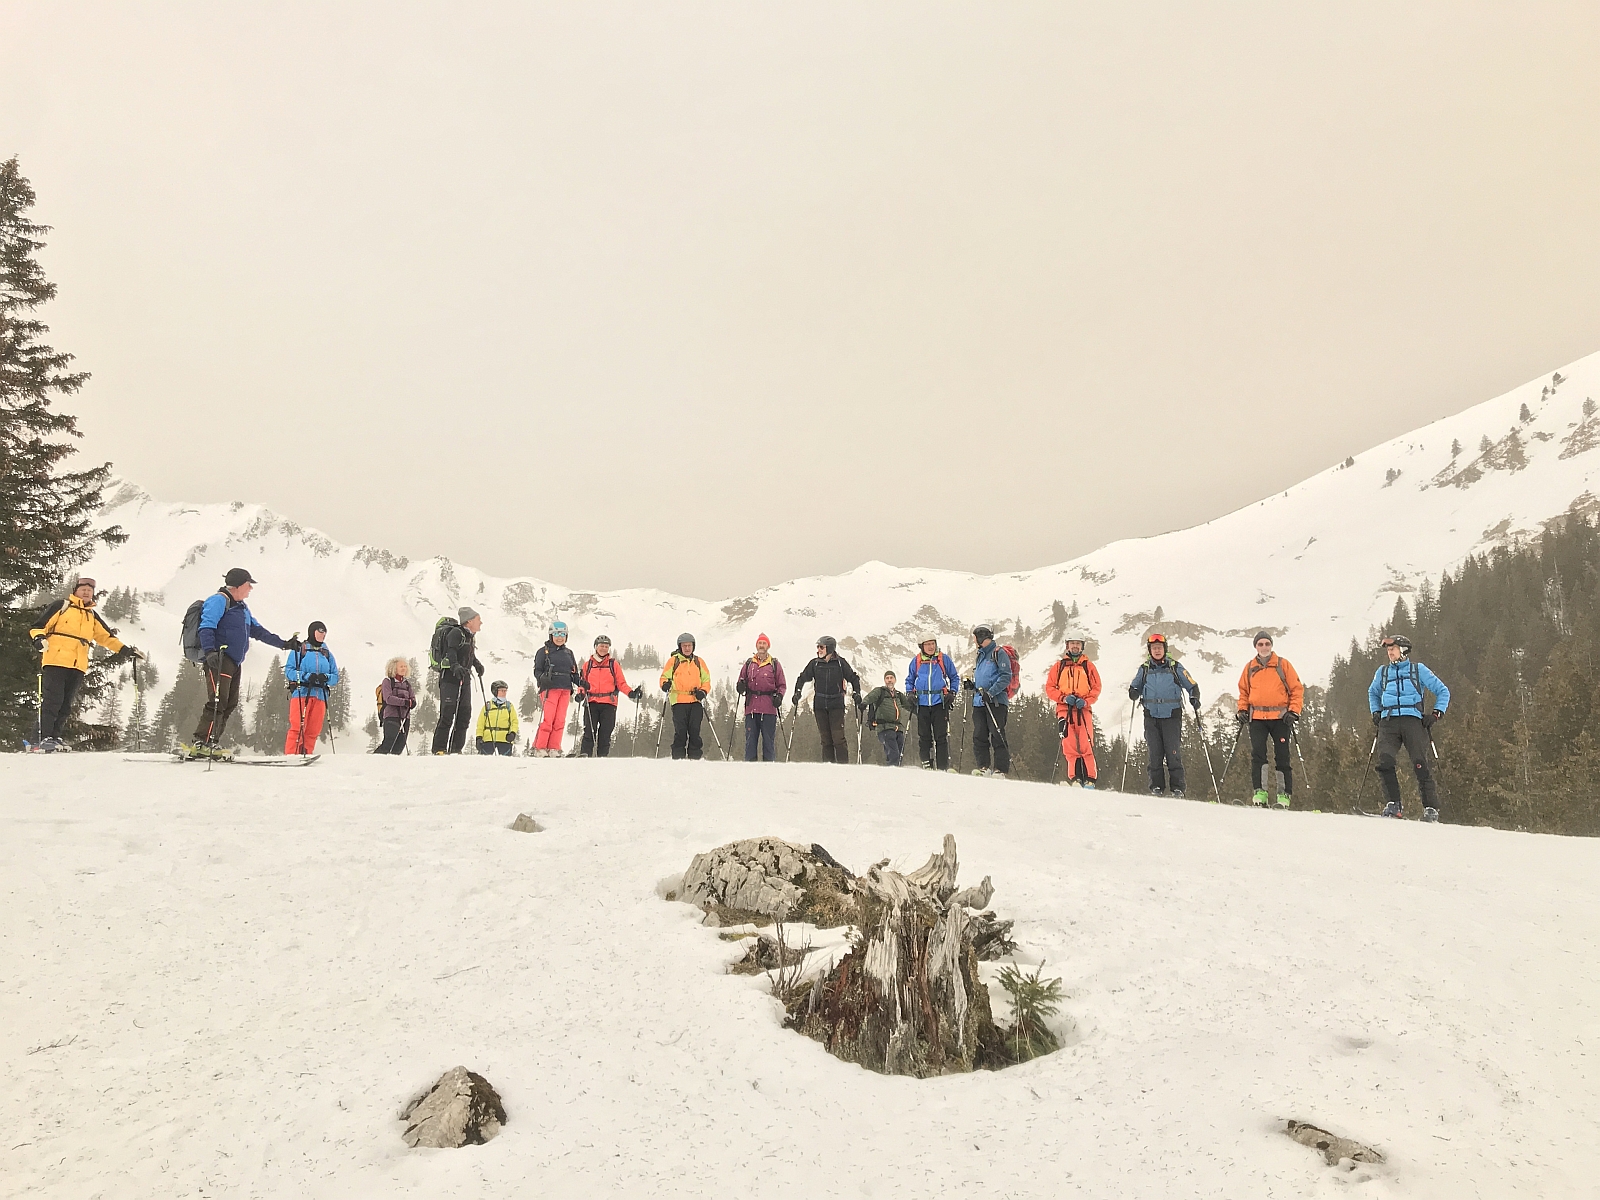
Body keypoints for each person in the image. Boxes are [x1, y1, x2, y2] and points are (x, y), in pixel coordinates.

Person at [27, 575, 141, 751]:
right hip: (56, 660)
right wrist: (39, 639)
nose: (87, 592)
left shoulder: (91, 616)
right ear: (75, 591)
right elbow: (38, 626)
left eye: (90, 591)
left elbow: (107, 637)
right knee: (53, 700)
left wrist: (126, 650)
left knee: (65, 704)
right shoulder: (62, 606)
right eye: (83, 589)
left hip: (77, 665)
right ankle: (39, 739)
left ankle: (53, 738)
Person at [192, 568, 298, 756]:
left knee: (229, 702)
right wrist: (209, 652)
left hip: (233, 661)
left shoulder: (242, 608)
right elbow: (206, 626)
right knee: (218, 701)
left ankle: (211, 743)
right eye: (249, 584)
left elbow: (258, 631)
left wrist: (284, 644)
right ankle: (201, 743)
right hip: (220, 659)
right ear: (239, 585)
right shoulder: (218, 600)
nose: (250, 589)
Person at [1368, 634, 1450, 821]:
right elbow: (1373, 692)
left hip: (1412, 720)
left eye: (1393, 649)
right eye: (1388, 650)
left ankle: (1431, 808)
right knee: (1385, 762)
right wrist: (1376, 712)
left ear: (1403, 651)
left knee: (1420, 763)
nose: (1390, 653)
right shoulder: (1382, 672)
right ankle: (1393, 805)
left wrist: (1436, 713)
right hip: (1388, 721)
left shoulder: (1418, 670)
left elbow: (1442, 690)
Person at [1235, 631, 1304, 807]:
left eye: (1267, 644)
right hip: (1257, 717)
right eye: (1260, 644)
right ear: (1256, 647)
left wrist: (1293, 711)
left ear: (1271, 645)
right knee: (1258, 754)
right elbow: (1244, 691)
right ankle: (1260, 792)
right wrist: (1242, 709)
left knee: (1282, 755)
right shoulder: (1250, 667)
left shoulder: (1283, 665)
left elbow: (1296, 689)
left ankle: (1284, 795)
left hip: (1280, 718)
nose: (1264, 647)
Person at [1127, 633, 1200, 796]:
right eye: (1154, 648)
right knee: (1155, 752)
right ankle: (1156, 786)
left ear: (1164, 649)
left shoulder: (1175, 667)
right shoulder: (1145, 669)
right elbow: (1135, 686)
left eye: (1160, 647)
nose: (1157, 650)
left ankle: (1177, 788)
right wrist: (1133, 692)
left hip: (1171, 716)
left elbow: (1192, 684)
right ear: (1150, 650)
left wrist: (1194, 697)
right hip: (1151, 716)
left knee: (1173, 752)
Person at [793, 636, 863, 763]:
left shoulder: (840, 663)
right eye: (818, 647)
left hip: (836, 704)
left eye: (821, 647)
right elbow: (802, 678)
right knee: (825, 739)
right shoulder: (814, 663)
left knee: (838, 738)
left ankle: (843, 766)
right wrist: (797, 692)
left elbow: (853, 678)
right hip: (820, 704)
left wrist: (857, 693)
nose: (818, 650)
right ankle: (828, 767)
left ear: (829, 648)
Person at [1045, 631, 1102, 787]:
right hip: (1065, 709)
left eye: (1078, 643)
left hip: (1083, 709)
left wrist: (1086, 701)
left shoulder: (1088, 666)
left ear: (1082, 646)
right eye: (1072, 643)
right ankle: (1075, 777)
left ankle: (1090, 778)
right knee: (1069, 744)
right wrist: (1063, 698)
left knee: (1086, 743)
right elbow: (1050, 688)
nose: (1075, 646)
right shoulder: (1059, 666)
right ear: (1067, 646)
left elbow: (1096, 688)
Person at [577, 635, 642, 757]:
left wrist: (631, 693)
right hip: (591, 702)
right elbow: (582, 683)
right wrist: (580, 694)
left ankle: (602, 758)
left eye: (606, 646)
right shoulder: (588, 665)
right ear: (596, 647)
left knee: (605, 733)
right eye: (601, 646)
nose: (604, 649)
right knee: (589, 733)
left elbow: (621, 683)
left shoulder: (613, 664)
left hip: (609, 703)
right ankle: (585, 756)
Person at [431, 607, 485, 755]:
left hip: (464, 677)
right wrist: (454, 666)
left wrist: (476, 664)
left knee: (464, 714)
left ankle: (456, 749)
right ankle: (439, 749)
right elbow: (451, 652)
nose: (481, 622)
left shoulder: (469, 636)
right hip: (450, 677)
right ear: (469, 621)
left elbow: (468, 655)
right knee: (448, 713)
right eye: (478, 619)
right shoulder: (456, 633)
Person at [963, 624, 1013, 777]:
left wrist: (991, 693)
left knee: (997, 733)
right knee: (979, 734)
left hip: (996, 702)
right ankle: (983, 767)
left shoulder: (999, 653)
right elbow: (983, 678)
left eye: (975, 638)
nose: (974, 641)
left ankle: (1001, 769)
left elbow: (1006, 676)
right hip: (979, 702)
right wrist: (972, 685)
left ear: (981, 637)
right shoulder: (980, 655)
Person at [284, 620, 339, 755]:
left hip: (320, 695)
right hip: (302, 693)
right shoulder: (300, 649)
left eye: (324, 633)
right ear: (312, 632)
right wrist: (307, 676)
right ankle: (292, 754)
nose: (322, 635)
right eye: (319, 632)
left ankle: (306, 754)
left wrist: (325, 677)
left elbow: (335, 676)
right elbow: (289, 671)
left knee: (313, 730)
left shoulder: (326, 653)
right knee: (298, 727)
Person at [905, 636, 959, 770]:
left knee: (941, 736)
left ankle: (942, 767)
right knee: (924, 736)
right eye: (927, 644)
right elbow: (910, 679)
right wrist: (909, 693)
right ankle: (926, 764)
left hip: (939, 703)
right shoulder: (916, 661)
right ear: (922, 646)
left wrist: (952, 692)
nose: (930, 647)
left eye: (932, 644)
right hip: (922, 703)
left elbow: (954, 677)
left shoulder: (943, 659)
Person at [532, 620, 580, 757]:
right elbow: (537, 670)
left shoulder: (569, 653)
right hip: (549, 688)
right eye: (557, 634)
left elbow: (573, 672)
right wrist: (542, 678)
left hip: (565, 688)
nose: (560, 637)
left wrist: (580, 682)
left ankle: (554, 747)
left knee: (559, 720)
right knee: (549, 719)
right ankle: (540, 747)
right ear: (551, 635)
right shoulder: (543, 652)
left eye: (563, 634)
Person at [660, 633, 711, 760]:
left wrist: (703, 691)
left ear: (693, 646)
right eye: (684, 646)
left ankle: (695, 757)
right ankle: (678, 757)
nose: (687, 648)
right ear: (680, 647)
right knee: (681, 731)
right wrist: (665, 684)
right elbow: (664, 677)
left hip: (695, 700)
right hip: (678, 701)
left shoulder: (699, 662)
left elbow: (706, 680)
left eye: (689, 645)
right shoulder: (673, 661)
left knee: (694, 730)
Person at [736, 634, 786, 762]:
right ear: (756, 645)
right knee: (750, 741)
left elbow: (781, 685)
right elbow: (741, 681)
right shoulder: (749, 664)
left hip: (769, 708)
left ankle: (768, 770)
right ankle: (750, 770)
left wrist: (779, 696)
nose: (762, 645)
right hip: (751, 707)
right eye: (760, 643)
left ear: (768, 646)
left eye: (764, 643)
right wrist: (740, 686)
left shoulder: (774, 664)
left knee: (768, 741)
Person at [863, 671, 911, 766]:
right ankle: (893, 772)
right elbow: (869, 697)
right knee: (894, 754)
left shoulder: (898, 695)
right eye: (887, 678)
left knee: (899, 753)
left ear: (895, 680)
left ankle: (893, 770)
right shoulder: (879, 691)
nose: (889, 680)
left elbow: (909, 706)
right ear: (884, 680)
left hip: (898, 728)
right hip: (884, 727)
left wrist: (921, 710)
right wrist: (863, 703)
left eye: (891, 678)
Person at [376, 657, 416, 754]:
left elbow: (413, 699)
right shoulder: (387, 681)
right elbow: (388, 698)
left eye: (405, 666)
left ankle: (392, 767)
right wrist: (405, 702)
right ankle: (373, 761)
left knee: (400, 745)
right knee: (388, 743)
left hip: (405, 717)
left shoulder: (407, 684)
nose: (404, 668)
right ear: (394, 668)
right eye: (401, 666)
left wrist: (412, 703)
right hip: (391, 716)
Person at [476, 680, 520, 755]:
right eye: (502, 690)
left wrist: (512, 733)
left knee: (505, 764)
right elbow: (480, 723)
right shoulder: (488, 706)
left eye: (505, 691)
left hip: (505, 739)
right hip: (488, 739)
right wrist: (479, 737)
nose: (504, 692)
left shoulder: (509, 706)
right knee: (484, 763)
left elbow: (514, 721)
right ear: (495, 691)